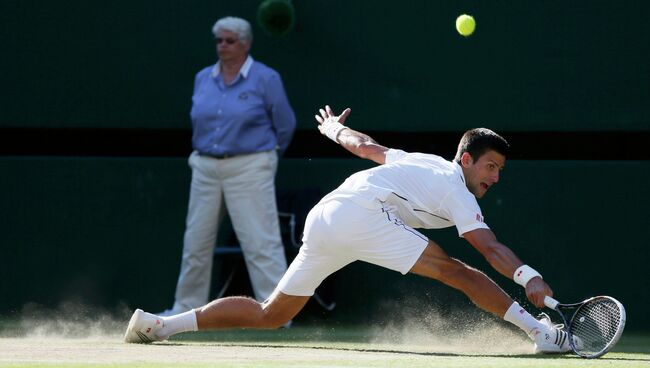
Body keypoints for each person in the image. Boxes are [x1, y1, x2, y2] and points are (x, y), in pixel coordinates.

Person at [127, 105, 577, 354]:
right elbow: (488, 247)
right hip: (362, 213)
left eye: (500, 170)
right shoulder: (454, 186)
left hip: (325, 217)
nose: (495, 177)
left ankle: (159, 326)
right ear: (466, 160)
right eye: (490, 166)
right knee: (457, 271)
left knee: (273, 313)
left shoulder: (422, 163)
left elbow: (366, 147)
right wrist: (527, 277)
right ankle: (540, 333)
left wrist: (334, 130)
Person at [159, 16, 296, 316]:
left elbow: (285, 125)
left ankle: (277, 314)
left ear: (246, 44)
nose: (223, 46)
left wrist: (266, 157)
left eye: (230, 40)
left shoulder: (266, 78)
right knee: (196, 242)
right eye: (219, 40)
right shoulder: (203, 77)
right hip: (205, 168)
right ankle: (185, 308)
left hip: (250, 166)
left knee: (262, 243)